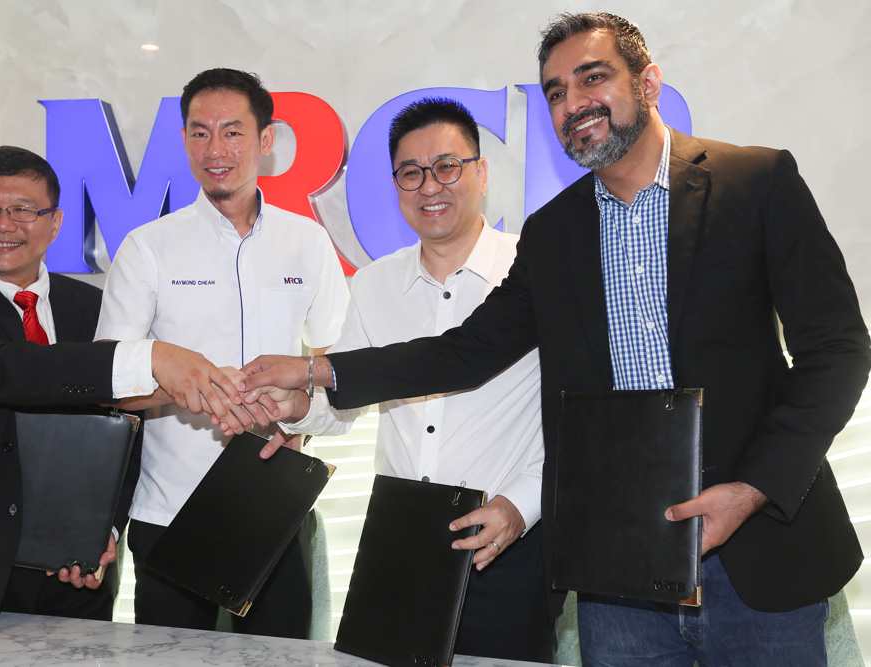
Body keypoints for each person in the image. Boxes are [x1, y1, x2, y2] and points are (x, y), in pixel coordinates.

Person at [243, 12, 871, 665]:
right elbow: (466, 350)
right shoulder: (554, 234)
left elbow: (838, 351)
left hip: (759, 560)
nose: (572, 103)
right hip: (617, 575)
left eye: (591, 78)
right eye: (554, 92)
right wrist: (319, 373)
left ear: (649, 82)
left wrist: (751, 489)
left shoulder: (755, 183)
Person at [0, 146, 243, 635]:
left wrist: (107, 529)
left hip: (82, 573)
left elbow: (129, 433)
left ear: (54, 223)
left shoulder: (97, 309)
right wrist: (150, 358)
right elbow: (8, 371)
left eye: (22, 209)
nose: (2, 223)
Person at [262, 98, 553, 661]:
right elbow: (340, 403)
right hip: (399, 543)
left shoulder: (534, 273)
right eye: (411, 173)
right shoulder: (372, 286)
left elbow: (570, 419)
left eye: (447, 166)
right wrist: (299, 408)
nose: (430, 186)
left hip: (507, 534)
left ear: (482, 172)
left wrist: (523, 505)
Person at [94, 68, 348, 638]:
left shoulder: (306, 242)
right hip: (168, 512)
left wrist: (300, 416)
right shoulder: (147, 248)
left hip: (274, 508)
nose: (216, 150)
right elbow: (108, 381)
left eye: (233, 132)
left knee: (280, 658)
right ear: (184, 140)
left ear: (265, 141)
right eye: (200, 132)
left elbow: (343, 368)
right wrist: (191, 388)